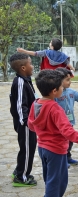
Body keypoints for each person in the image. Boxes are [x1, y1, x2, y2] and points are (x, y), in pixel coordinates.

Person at [27, 69, 78, 196]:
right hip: (55, 150)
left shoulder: (36, 104)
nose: (63, 89)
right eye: (61, 87)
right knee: (57, 182)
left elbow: (31, 125)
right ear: (54, 91)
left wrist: (44, 130)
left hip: (42, 148)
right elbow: (68, 131)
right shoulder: (56, 109)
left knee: (50, 178)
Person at [9, 53, 37, 186]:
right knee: (27, 150)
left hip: (28, 122)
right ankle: (21, 177)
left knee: (27, 148)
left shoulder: (26, 79)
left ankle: (19, 170)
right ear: (23, 68)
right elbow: (21, 105)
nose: (32, 66)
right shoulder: (20, 82)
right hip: (25, 123)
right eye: (30, 63)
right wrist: (26, 122)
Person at [54, 67, 78, 166]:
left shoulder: (71, 92)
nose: (69, 82)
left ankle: (68, 157)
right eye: (67, 80)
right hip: (58, 124)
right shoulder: (55, 94)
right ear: (58, 81)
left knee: (69, 141)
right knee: (61, 142)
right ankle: (62, 160)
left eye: (70, 79)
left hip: (69, 122)